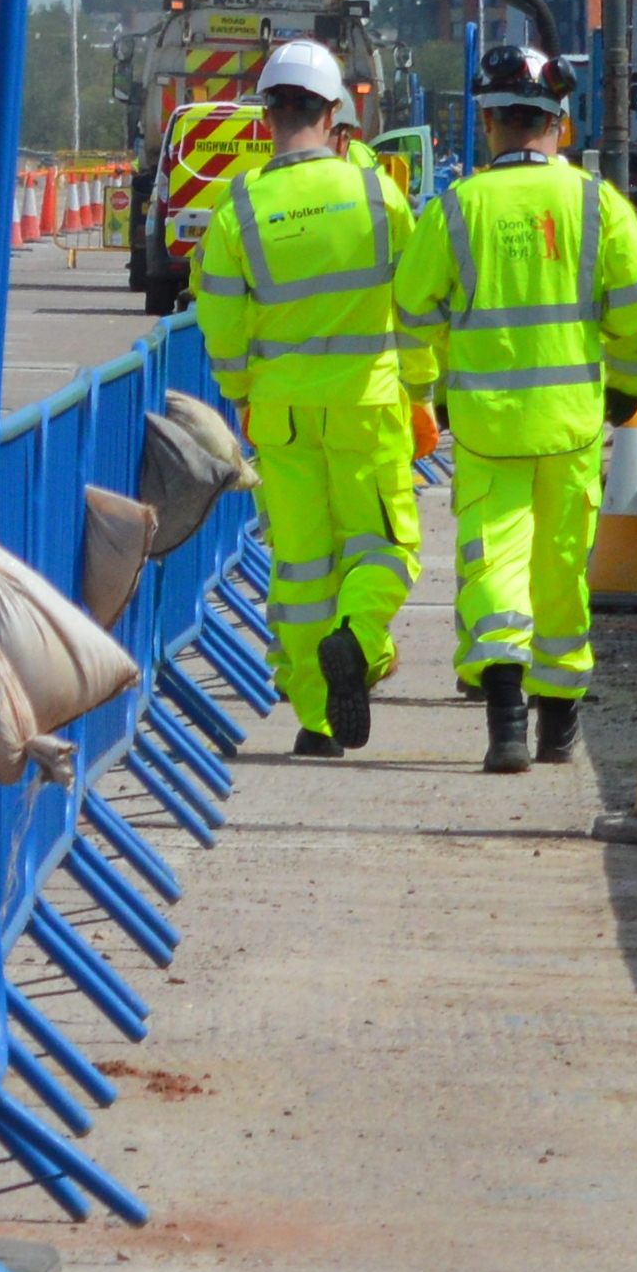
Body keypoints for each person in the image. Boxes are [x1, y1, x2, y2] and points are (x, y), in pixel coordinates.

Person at [393, 45, 637, 775]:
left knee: (494, 565)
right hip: (572, 426)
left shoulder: (457, 207)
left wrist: (428, 391)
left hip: (486, 430)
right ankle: (559, 726)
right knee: (563, 571)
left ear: (487, 126)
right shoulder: (595, 202)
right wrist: (628, 386)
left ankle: (506, 721)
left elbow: (411, 311)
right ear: (561, 126)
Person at [184, 39, 410, 753]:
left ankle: (316, 721)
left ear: (267, 115)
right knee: (385, 547)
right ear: (336, 112)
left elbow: (219, 321)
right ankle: (359, 635)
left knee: (302, 566)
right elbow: (420, 298)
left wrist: (241, 390)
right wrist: (427, 390)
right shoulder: (376, 192)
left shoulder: (241, 207)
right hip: (366, 404)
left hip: (278, 413)